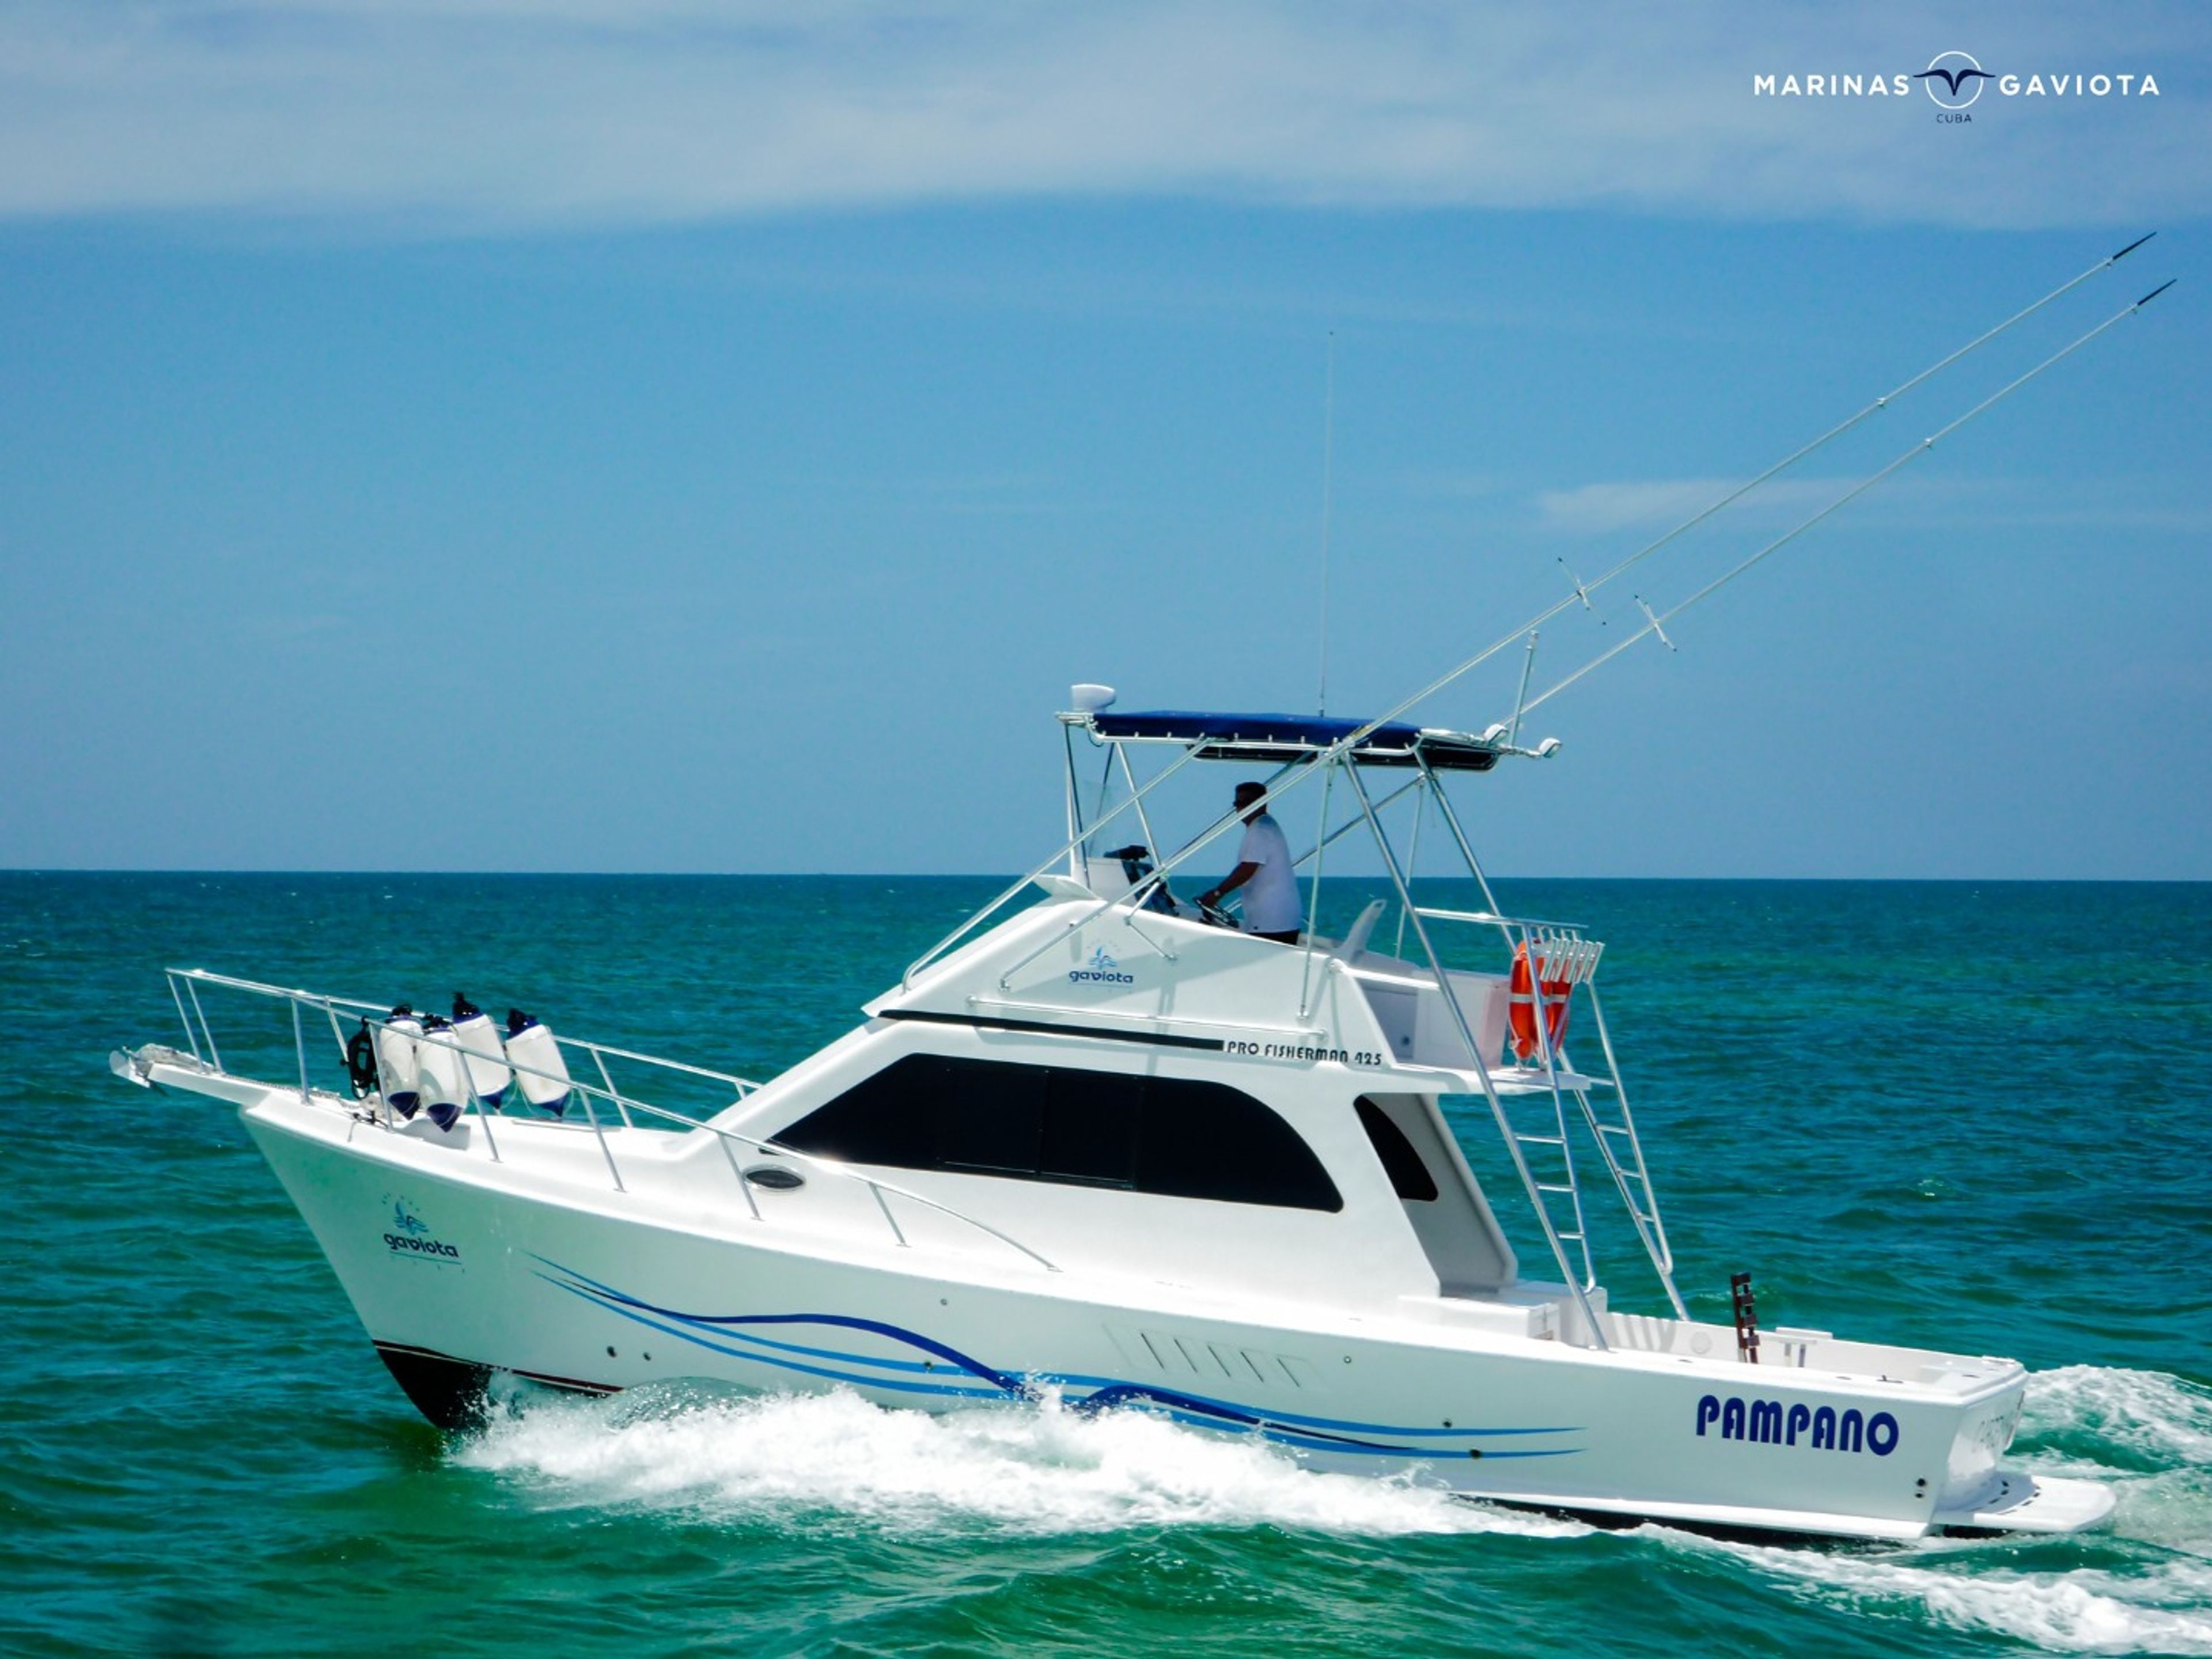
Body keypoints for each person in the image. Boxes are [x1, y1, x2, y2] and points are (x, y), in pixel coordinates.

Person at [1196, 782, 1304, 944]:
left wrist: (1217, 894)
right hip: (1279, 920)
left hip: (1272, 923)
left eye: (1247, 803)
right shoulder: (1265, 825)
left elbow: (1247, 870)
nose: (1241, 808)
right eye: (1238, 803)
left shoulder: (1260, 830)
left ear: (1263, 803)